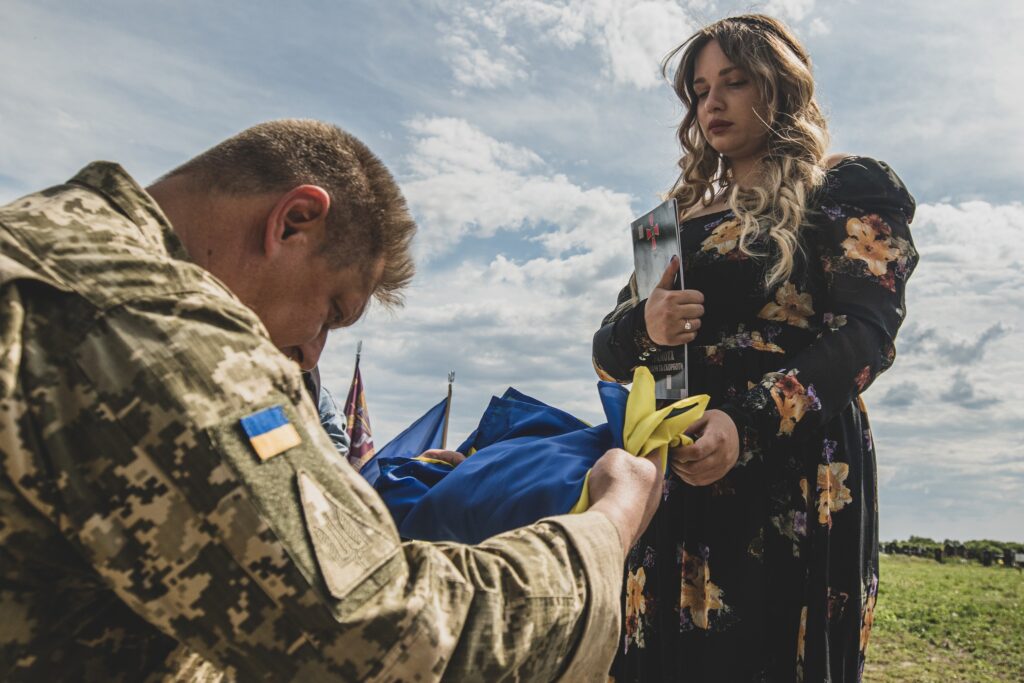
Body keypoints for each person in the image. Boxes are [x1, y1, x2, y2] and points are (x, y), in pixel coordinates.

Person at [0, 119, 665, 681]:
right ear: (294, 220)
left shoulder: (49, 243)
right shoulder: (149, 323)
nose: (313, 352)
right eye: (332, 312)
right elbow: (382, 638)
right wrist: (606, 527)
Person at [592, 16, 918, 682]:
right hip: (676, 471)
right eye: (701, 89)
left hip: (795, 466)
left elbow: (867, 333)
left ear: (781, 89)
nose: (712, 103)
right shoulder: (670, 226)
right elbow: (606, 353)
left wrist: (748, 421)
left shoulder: (846, 189)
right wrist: (643, 326)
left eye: (735, 82)